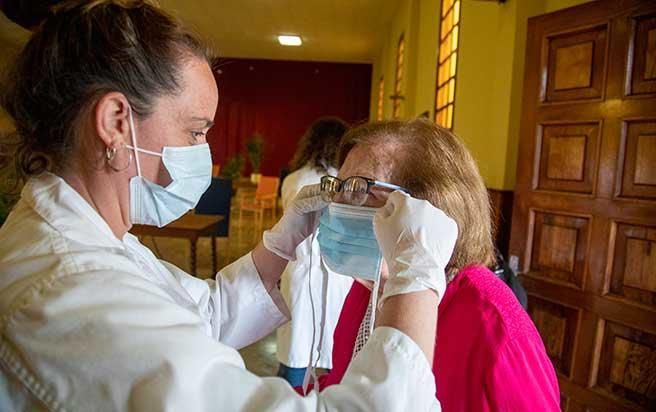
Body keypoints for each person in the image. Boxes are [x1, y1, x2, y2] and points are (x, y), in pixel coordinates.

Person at [0, 1, 456, 410]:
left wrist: (284, 238)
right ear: (116, 122)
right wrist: (416, 278)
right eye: (195, 131)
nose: (205, 150)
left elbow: (204, 316)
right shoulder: (70, 290)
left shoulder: (98, 244)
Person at [310, 119, 561, 411]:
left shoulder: (494, 322)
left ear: (426, 208)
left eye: (358, 188)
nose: (335, 206)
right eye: (338, 186)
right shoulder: (368, 288)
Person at [276, 118, 354, 386]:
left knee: (295, 355)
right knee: (330, 358)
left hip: (299, 270)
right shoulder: (345, 183)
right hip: (338, 274)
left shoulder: (293, 179)